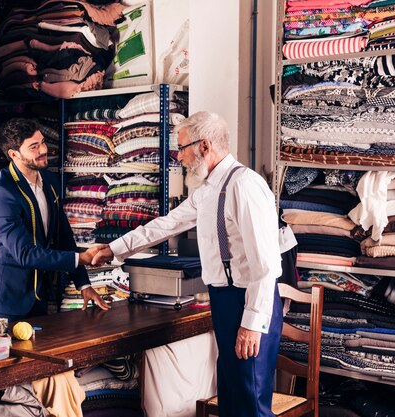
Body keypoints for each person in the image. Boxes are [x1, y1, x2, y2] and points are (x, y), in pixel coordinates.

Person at [92, 111, 288, 417]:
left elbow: (266, 264)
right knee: (232, 397)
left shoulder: (245, 185)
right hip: (223, 299)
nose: (178, 156)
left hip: (248, 301)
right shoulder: (208, 190)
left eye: (182, 148)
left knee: (251, 401)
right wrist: (114, 249)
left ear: (205, 146)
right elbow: (166, 225)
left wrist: (252, 325)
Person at [0, 118, 110, 320]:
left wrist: (83, 284)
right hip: (5, 299)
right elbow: (25, 254)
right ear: (14, 154)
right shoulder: (2, 195)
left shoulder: (49, 180)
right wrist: (81, 258)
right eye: (34, 146)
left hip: (39, 296)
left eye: (42, 142)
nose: (43, 149)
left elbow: (63, 235)